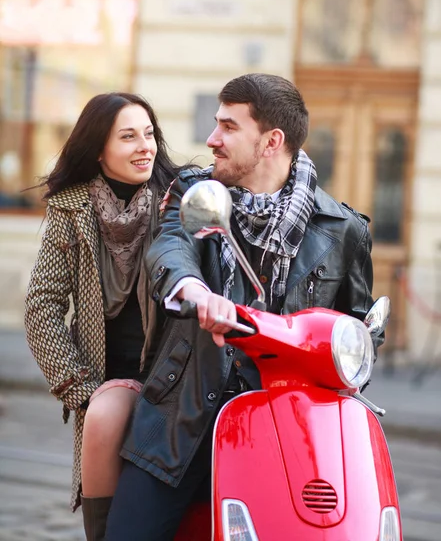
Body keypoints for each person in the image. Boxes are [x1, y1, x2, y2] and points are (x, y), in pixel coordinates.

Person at [105, 73, 383, 540]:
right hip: (182, 419)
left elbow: (356, 338)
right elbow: (170, 252)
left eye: (229, 127)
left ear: (271, 141)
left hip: (286, 435)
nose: (212, 140)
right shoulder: (197, 194)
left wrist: (357, 348)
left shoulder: (342, 230)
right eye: (216, 124)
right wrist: (198, 293)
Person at [24, 92, 183, 541]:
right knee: (110, 525)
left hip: (172, 387)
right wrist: (84, 392)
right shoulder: (71, 210)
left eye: (149, 134)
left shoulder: (178, 202)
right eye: (128, 136)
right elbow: (42, 305)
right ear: (99, 149)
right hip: (104, 385)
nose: (145, 146)